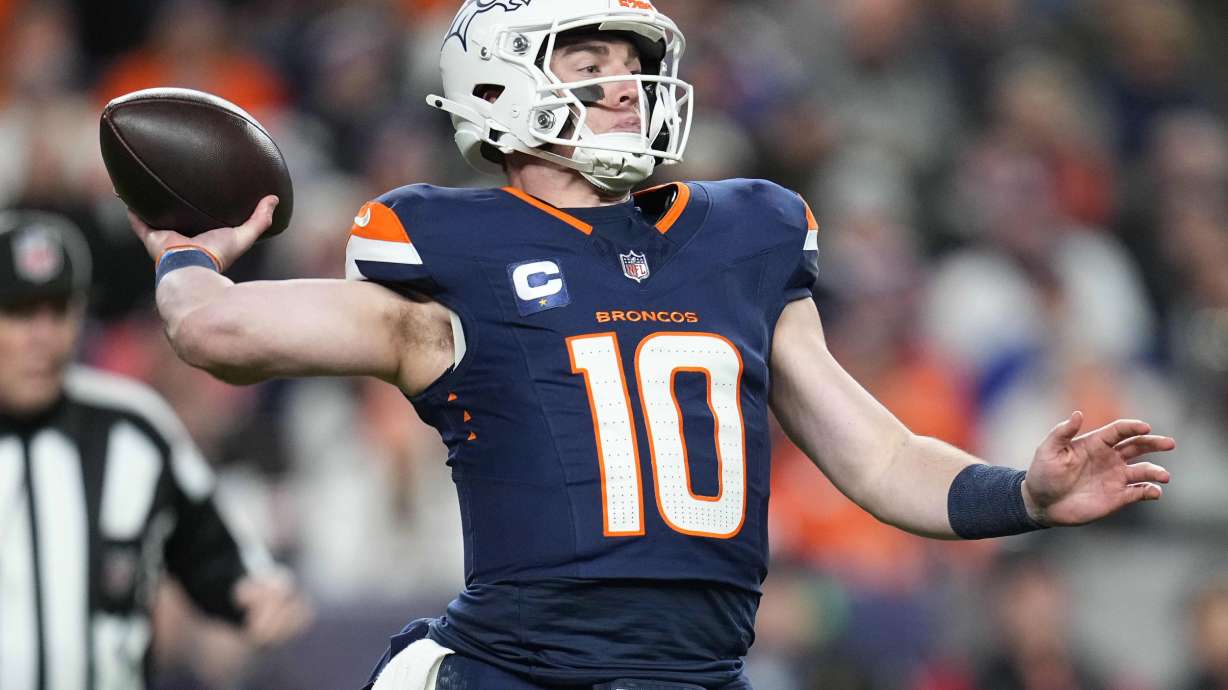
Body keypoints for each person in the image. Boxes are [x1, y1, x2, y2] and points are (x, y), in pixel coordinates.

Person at [125, 2, 1176, 689]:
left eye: (633, 63)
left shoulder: (744, 233)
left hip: (701, 674)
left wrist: (1024, 497)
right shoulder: (451, 248)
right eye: (588, 63)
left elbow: (885, 459)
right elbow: (217, 332)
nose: (624, 84)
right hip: (513, 673)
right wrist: (187, 255)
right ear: (497, 87)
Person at [0, 211, 311, 690]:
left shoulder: (135, 430)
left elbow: (218, 556)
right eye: (19, 313)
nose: (41, 337)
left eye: (58, 310)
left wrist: (256, 593)